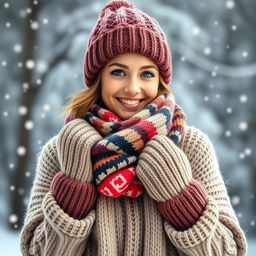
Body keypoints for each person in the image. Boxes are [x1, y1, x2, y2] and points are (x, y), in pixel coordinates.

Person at [20, 0, 248, 255]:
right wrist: (73, 186)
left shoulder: (190, 146)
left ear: (160, 80)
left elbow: (228, 251)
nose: (132, 87)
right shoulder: (62, 151)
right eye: (118, 72)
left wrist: (180, 197)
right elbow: (36, 251)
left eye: (146, 74)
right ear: (98, 78)